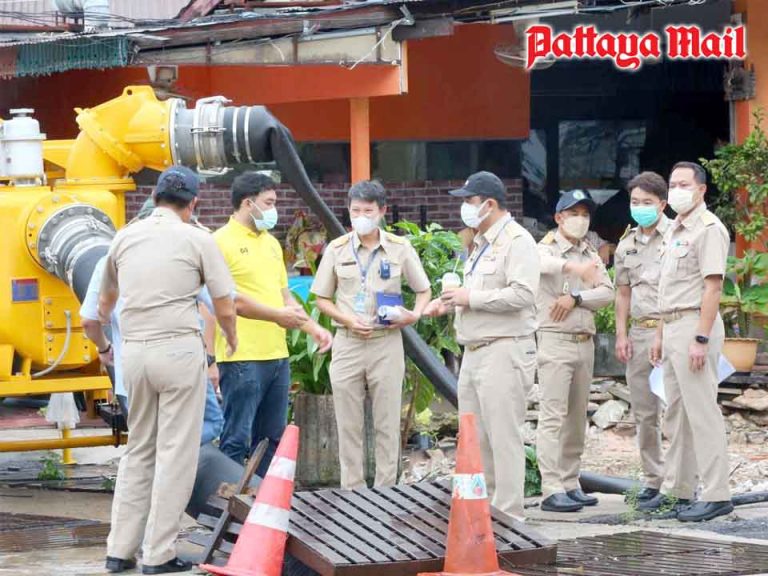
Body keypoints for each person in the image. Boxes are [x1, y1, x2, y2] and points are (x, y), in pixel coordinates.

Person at [100, 166, 238, 574]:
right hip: (178, 350)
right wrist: (230, 337)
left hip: (135, 354)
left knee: (140, 448)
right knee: (177, 452)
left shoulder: (124, 237)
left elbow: (105, 303)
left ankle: (119, 550)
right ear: (193, 203)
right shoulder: (197, 238)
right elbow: (224, 303)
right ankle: (158, 554)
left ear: (155, 197)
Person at [423, 171, 540, 521]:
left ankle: (510, 517)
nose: (464, 207)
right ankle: (483, 515)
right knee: (475, 437)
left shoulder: (517, 241)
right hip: (473, 351)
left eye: (469, 201)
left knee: (503, 436)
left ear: (489, 204)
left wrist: (469, 298)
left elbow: (522, 294)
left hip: (504, 349)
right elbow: (474, 295)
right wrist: (448, 303)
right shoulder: (480, 242)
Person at [312, 180, 431, 489]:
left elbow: (424, 290)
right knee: (348, 423)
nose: (361, 217)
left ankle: (386, 491)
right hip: (348, 342)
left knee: (387, 423)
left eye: (367, 211)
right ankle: (352, 491)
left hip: (385, 342)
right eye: (355, 211)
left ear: (382, 211)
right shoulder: (337, 249)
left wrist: (414, 314)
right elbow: (322, 299)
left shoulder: (399, 248)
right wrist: (347, 319)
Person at [213, 171, 332, 474]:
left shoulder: (271, 244)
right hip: (241, 356)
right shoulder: (219, 243)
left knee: (271, 440)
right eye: (269, 202)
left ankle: (262, 499)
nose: (274, 209)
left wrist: (313, 329)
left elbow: (285, 297)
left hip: (277, 356)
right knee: (236, 438)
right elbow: (230, 302)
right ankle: (227, 500)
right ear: (248, 203)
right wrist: (278, 316)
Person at [640, 161, 733, 522]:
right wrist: (660, 334)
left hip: (696, 323)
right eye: (673, 184)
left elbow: (713, 287)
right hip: (673, 325)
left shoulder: (708, 229)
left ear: (701, 190)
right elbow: (668, 290)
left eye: (684, 184)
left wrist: (701, 337)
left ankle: (716, 494)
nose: (677, 190)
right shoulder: (675, 230)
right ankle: (678, 491)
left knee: (701, 412)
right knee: (676, 415)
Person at [535, 189, 614, 513]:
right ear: (559, 218)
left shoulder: (589, 251)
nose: (580, 220)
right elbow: (539, 264)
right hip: (555, 339)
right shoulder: (544, 248)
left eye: (585, 214)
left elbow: (606, 292)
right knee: (553, 416)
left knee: (577, 418)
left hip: (584, 341)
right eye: (573, 214)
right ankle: (551, 488)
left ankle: (570, 482)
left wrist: (577, 299)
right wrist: (573, 269)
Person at [613, 172, 670, 503]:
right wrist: (621, 335)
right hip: (638, 333)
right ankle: (653, 479)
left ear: (662, 204)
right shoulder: (626, 244)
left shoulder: (677, 237)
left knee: (676, 411)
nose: (640, 208)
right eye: (635, 202)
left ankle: (682, 480)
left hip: (671, 331)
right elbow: (623, 293)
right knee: (644, 413)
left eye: (647, 202)